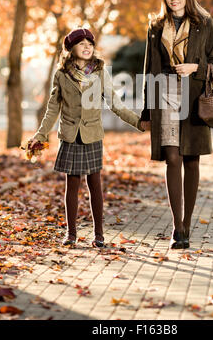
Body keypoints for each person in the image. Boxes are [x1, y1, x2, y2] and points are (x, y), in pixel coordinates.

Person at [29, 28, 145, 247]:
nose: (86, 47)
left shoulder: (100, 71)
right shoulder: (62, 74)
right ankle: (70, 234)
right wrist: (40, 134)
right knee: (71, 185)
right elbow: (52, 109)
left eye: (90, 44)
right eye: (81, 44)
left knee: (95, 184)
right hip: (71, 135)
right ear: (71, 49)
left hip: (91, 134)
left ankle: (98, 234)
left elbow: (115, 103)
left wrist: (138, 122)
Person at [140, 0, 213, 249]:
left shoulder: (204, 23)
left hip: (193, 94)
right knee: (172, 158)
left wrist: (195, 68)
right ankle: (177, 225)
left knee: (191, 159)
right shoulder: (155, 27)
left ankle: (188, 224)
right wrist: (145, 111)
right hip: (164, 93)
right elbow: (147, 70)